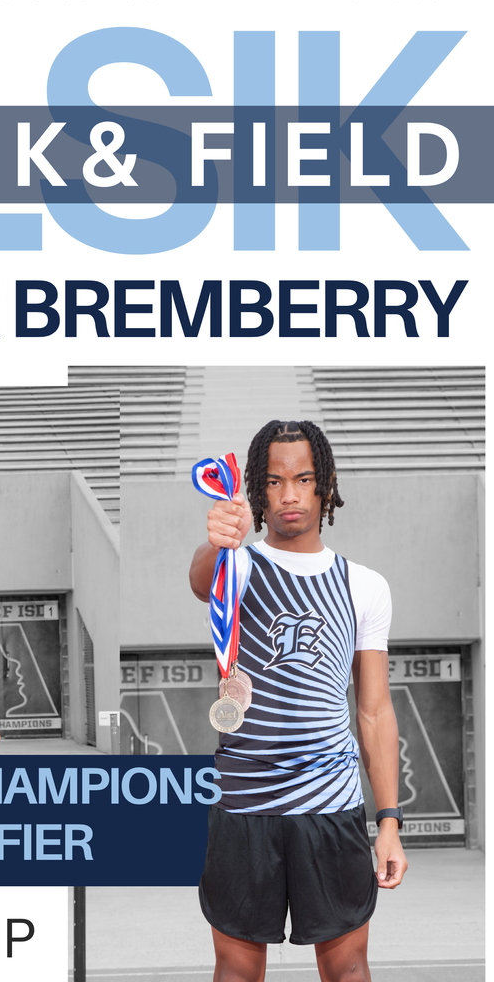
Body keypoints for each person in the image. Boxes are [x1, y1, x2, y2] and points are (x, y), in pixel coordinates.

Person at [189, 420, 406, 982]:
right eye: (276, 480)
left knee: (348, 969)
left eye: (304, 479)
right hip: (246, 803)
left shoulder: (365, 586)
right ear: (258, 490)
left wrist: (388, 821)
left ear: (325, 485)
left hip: (330, 806)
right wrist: (215, 539)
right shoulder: (235, 567)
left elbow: (375, 709)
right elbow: (200, 578)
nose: (290, 495)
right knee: (235, 970)